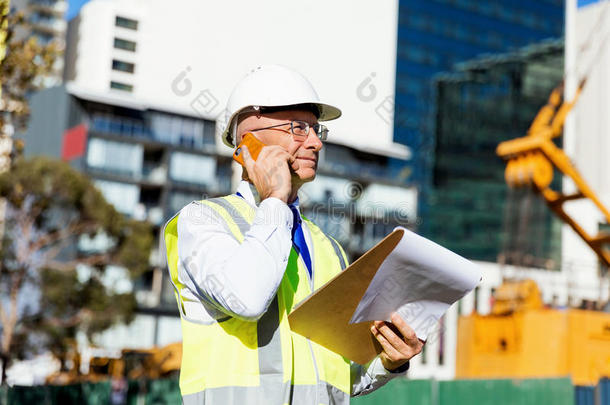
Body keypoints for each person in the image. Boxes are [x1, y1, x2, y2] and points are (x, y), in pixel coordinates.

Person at [162, 65, 423, 405]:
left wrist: (389, 361)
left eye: (317, 131)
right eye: (298, 128)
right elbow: (248, 298)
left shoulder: (328, 248)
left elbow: (337, 378)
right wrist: (274, 199)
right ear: (249, 138)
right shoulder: (203, 221)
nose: (315, 142)